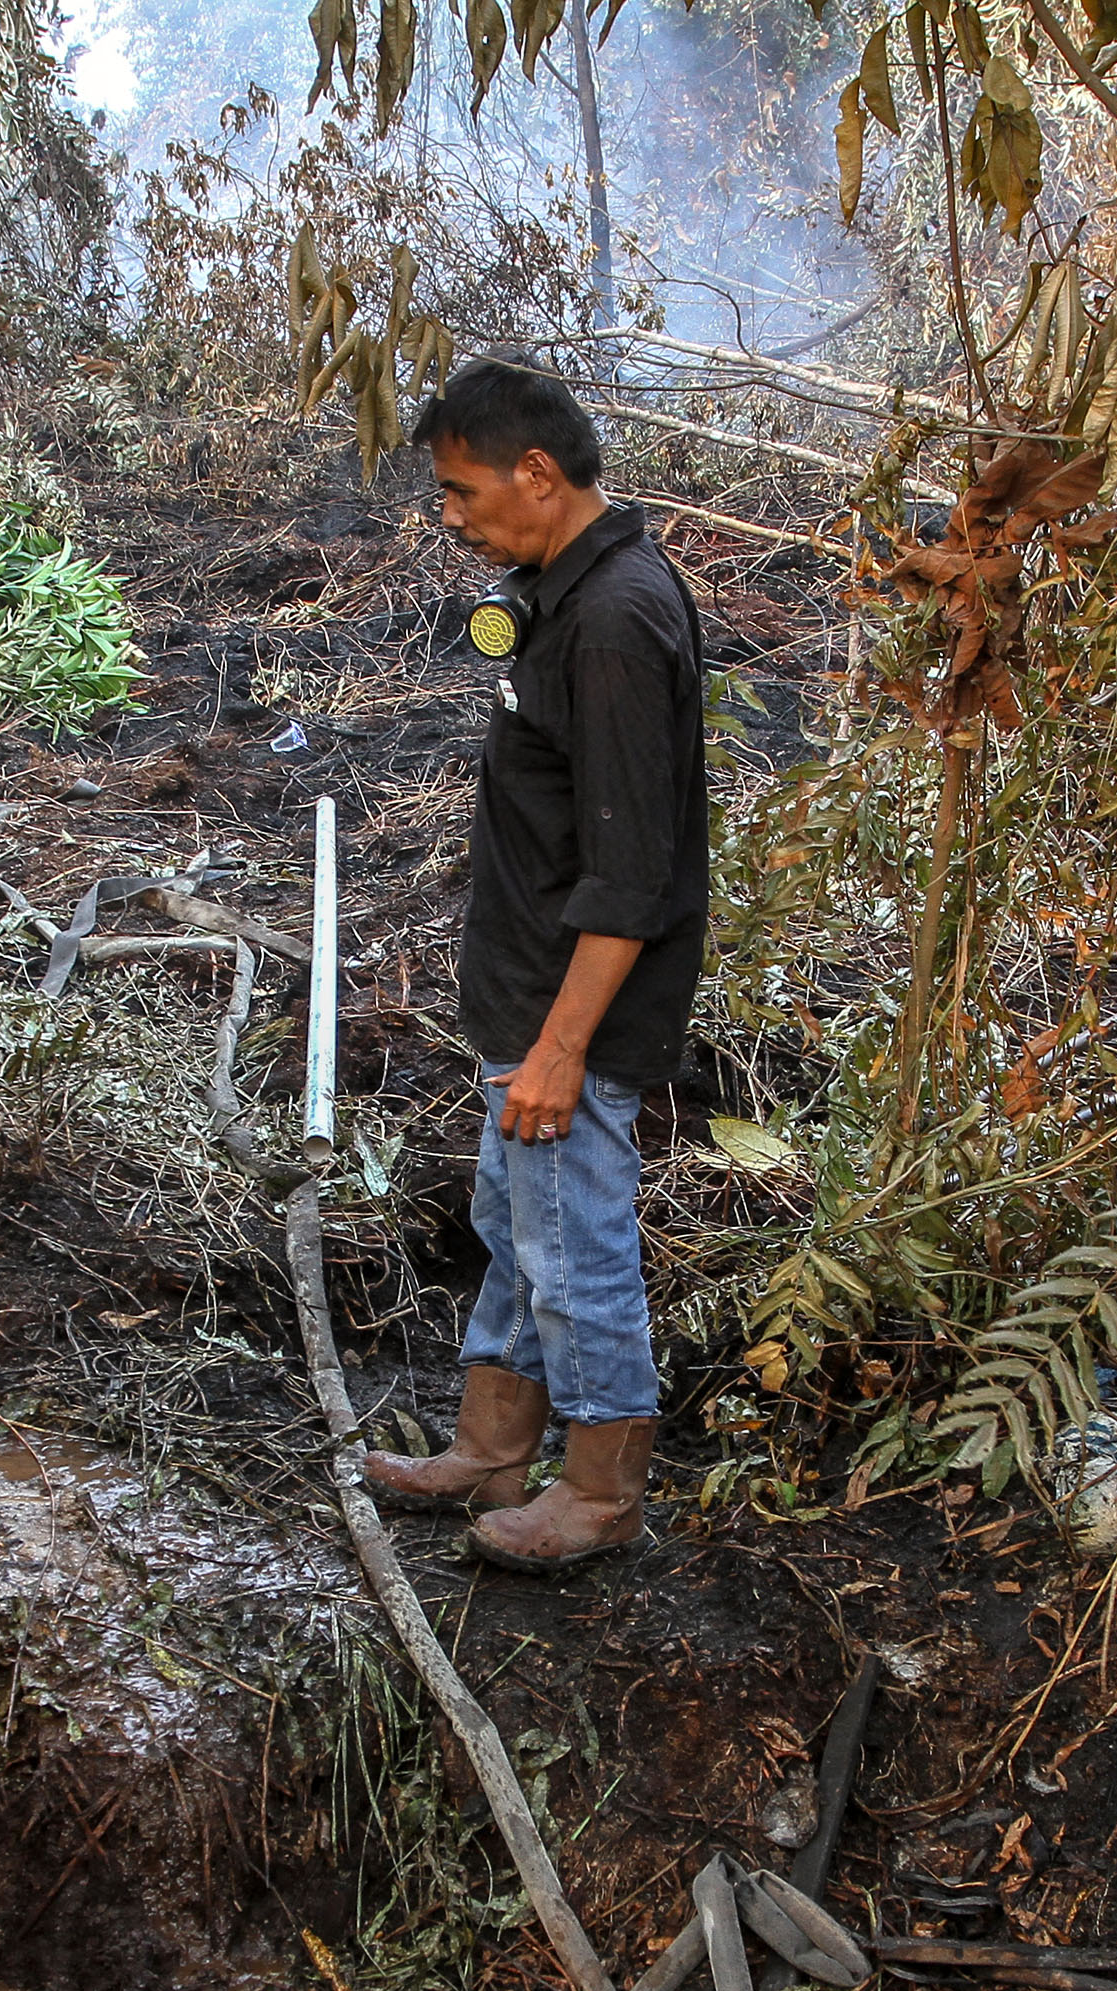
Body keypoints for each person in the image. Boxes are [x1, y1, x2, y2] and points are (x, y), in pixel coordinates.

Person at [362, 362, 708, 1573]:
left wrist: (561, 1050)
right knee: (515, 1226)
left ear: (538, 475)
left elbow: (632, 874)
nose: (448, 515)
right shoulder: (557, 592)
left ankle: (602, 1494)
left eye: (459, 490)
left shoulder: (615, 621)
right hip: (529, 991)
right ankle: (490, 1449)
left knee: (574, 1244)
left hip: (578, 1009)